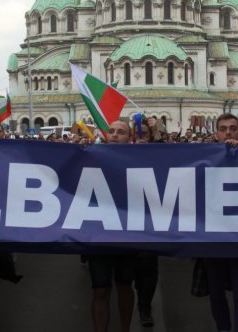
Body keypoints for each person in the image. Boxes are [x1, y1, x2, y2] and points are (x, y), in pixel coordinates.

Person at [204, 113, 238, 331]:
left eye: (232, 128)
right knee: (216, 293)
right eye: (223, 128)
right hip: (212, 237)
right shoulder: (204, 157)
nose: (228, 132)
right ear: (216, 133)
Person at [89, 120, 137, 332]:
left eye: (121, 132)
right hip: (99, 235)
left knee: (125, 286)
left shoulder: (141, 162)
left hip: (128, 236)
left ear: (130, 138)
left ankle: (125, 328)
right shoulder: (91, 157)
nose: (115, 135)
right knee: (100, 290)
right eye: (111, 131)